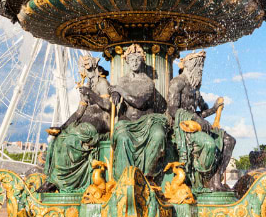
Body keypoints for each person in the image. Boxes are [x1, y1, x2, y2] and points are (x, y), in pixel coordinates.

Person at [37, 54, 112, 193]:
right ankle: (54, 179)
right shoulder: (87, 85)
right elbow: (79, 112)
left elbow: (108, 106)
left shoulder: (102, 83)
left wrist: (91, 94)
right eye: (84, 69)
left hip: (99, 123)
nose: (86, 72)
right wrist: (62, 127)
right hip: (84, 123)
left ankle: (65, 181)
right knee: (59, 139)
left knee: (71, 141)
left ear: (95, 67)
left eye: (89, 68)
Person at [166, 50, 234, 191]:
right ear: (189, 66)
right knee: (209, 144)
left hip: (197, 126)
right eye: (198, 67)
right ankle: (202, 180)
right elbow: (172, 110)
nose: (200, 71)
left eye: (201, 68)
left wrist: (215, 108)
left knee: (229, 141)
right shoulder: (177, 83)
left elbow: (202, 112)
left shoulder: (195, 88)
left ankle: (215, 179)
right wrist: (193, 117)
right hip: (182, 127)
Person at [110, 44, 169, 181]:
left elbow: (138, 103)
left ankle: (148, 176)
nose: (134, 63)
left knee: (159, 135)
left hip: (147, 122)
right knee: (123, 138)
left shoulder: (148, 82)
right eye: (131, 60)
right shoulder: (122, 80)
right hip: (127, 122)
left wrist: (119, 90)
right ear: (127, 62)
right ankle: (125, 178)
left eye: (137, 60)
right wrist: (115, 94)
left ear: (142, 61)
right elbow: (116, 94)